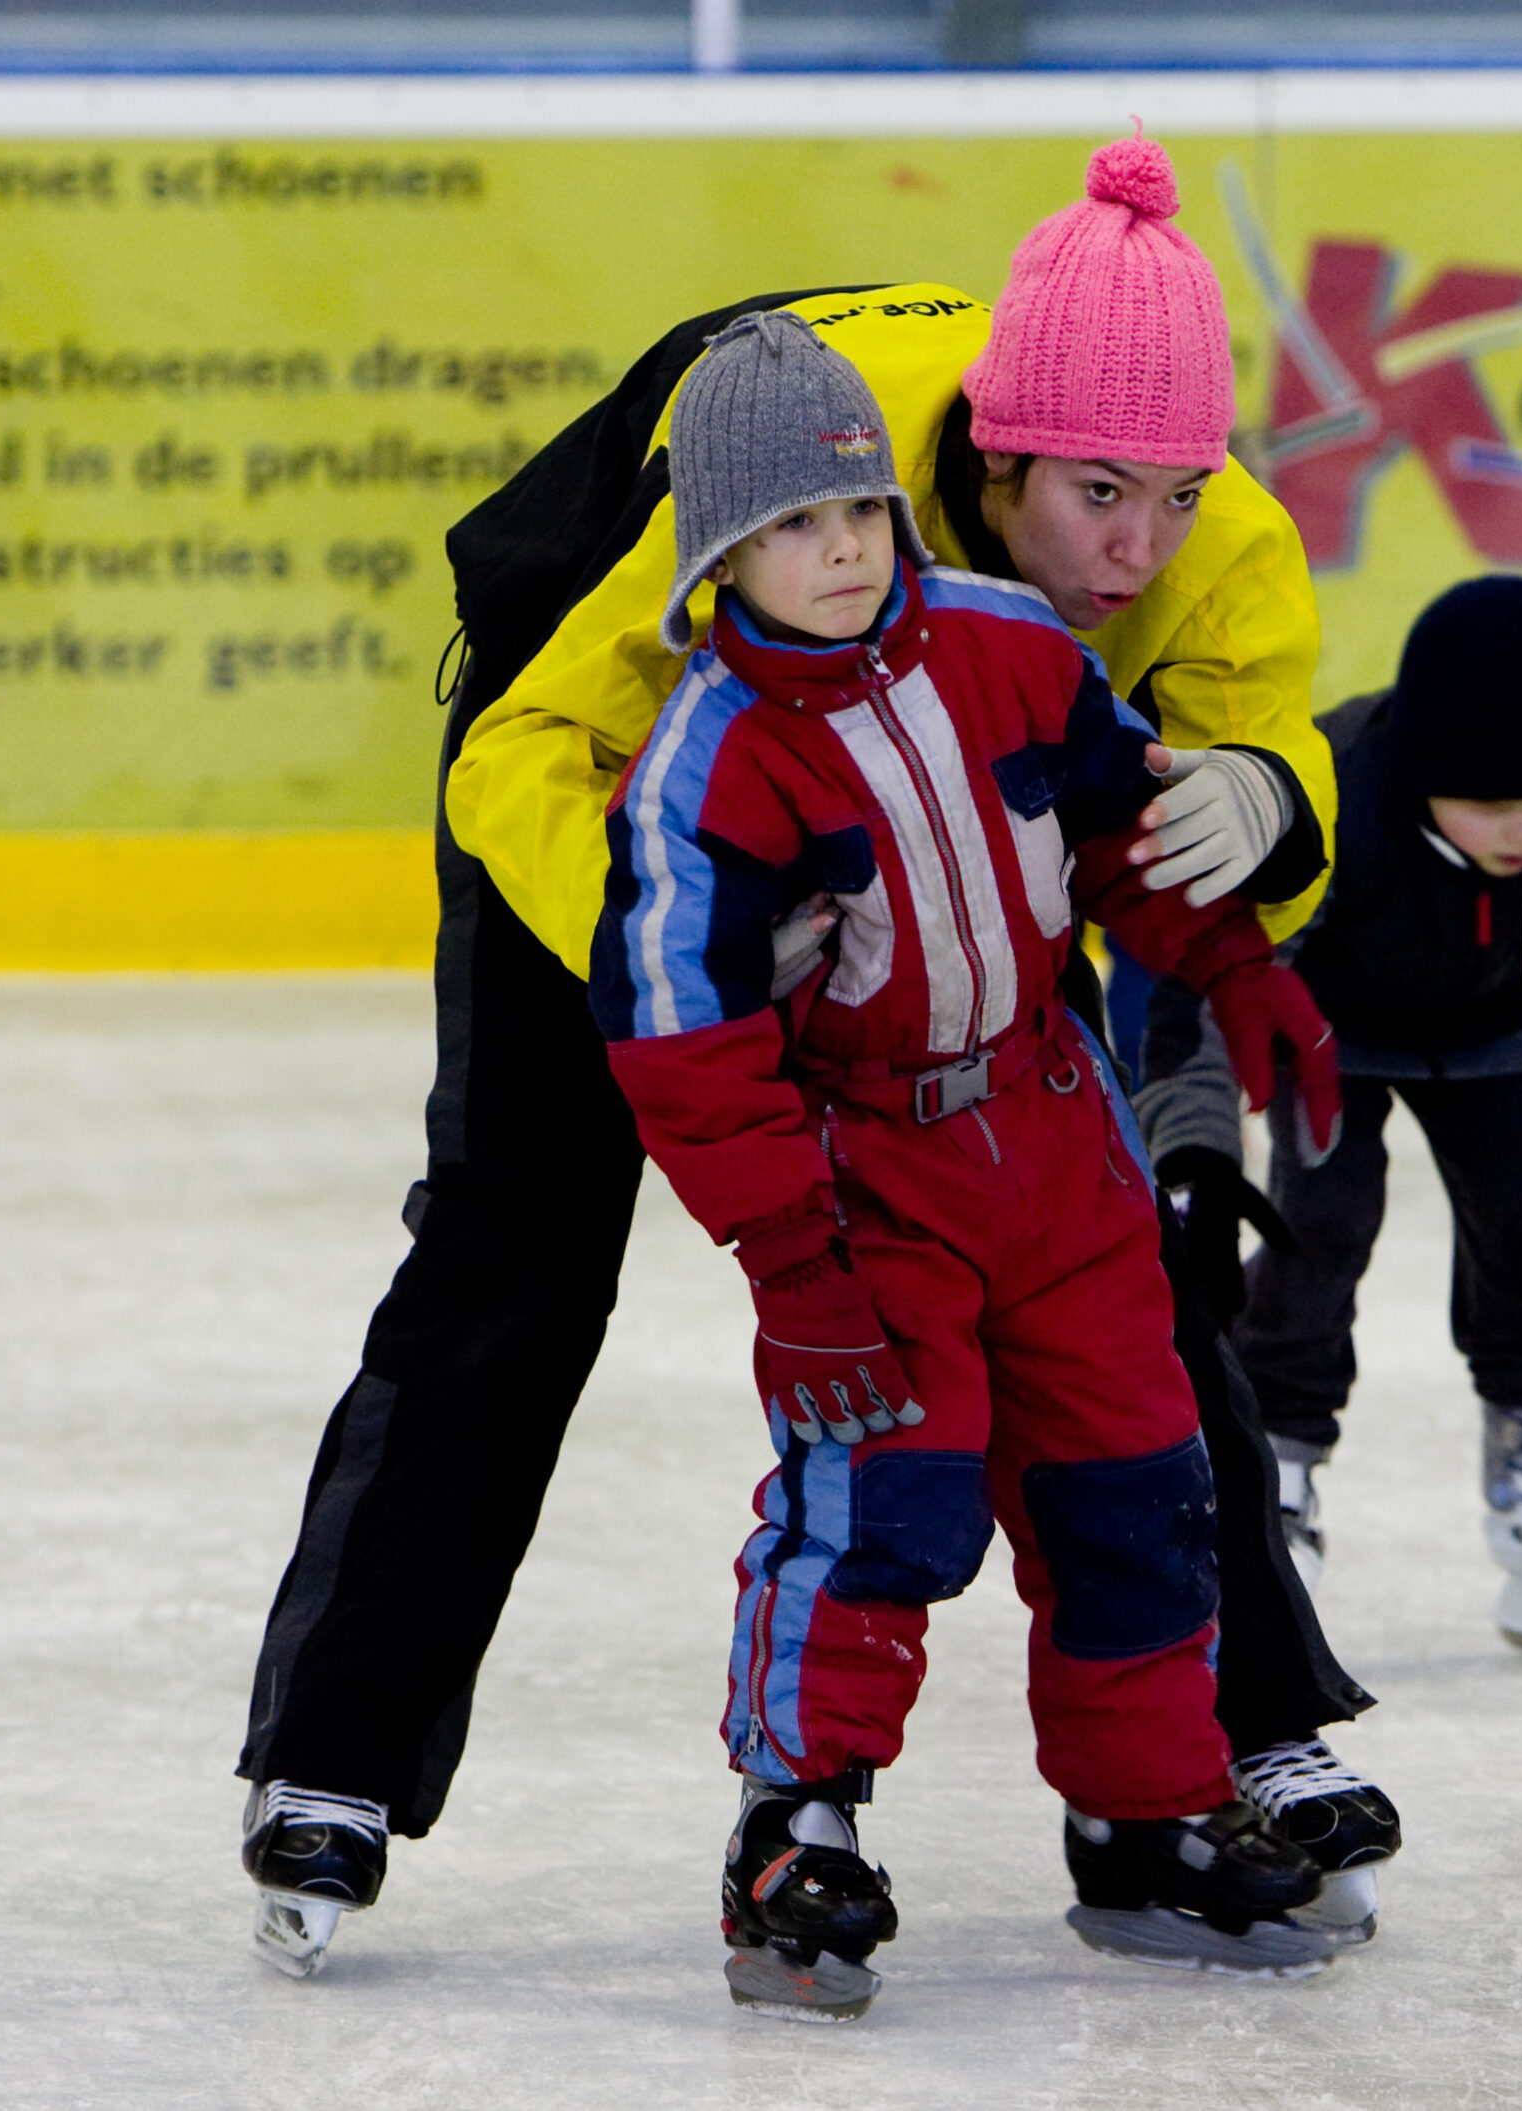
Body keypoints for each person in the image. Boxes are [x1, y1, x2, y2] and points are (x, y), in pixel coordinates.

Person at [237, 135, 1396, 1978]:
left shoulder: (1194, 537)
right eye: (1100, 495)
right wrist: (677, 950)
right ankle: (335, 1761)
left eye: (1178, 496)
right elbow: (521, 759)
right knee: (517, 1251)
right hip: (611, 788)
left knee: (1094, 1249)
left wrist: (1271, 798)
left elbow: (1240, 774)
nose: (1142, 549)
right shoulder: (796, 498)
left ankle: (1236, 1730)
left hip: (946, 822)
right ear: (991, 462)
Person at [594, 313, 1350, 2013]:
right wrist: (796, 1271)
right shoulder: (703, 771)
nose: (844, 552)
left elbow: (1120, 831)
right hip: (878, 1184)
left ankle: (1146, 1810)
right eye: (794, 526)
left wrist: (1239, 968)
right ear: (726, 552)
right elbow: (684, 1050)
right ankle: (798, 1824)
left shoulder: (1008, 643)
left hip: (1057, 1140)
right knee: (884, 1504)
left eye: (860, 514)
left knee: (1136, 1487)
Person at [1226, 575, 1522, 1649]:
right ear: (1420, 777)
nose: (1519, 828)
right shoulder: (1337, 793)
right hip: (1336, 1033)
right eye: (1488, 803)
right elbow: (1242, 945)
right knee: (1318, 1230)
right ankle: (1280, 1475)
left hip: (1494, 1034)